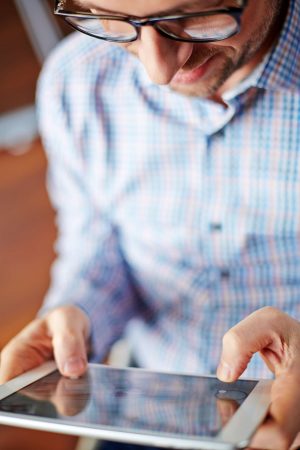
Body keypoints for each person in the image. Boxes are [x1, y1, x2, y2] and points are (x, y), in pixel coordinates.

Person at [1, 1, 300, 442]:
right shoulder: (76, 81)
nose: (157, 70)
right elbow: (96, 240)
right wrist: (76, 309)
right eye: (116, 21)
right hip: (147, 396)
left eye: (195, 16)